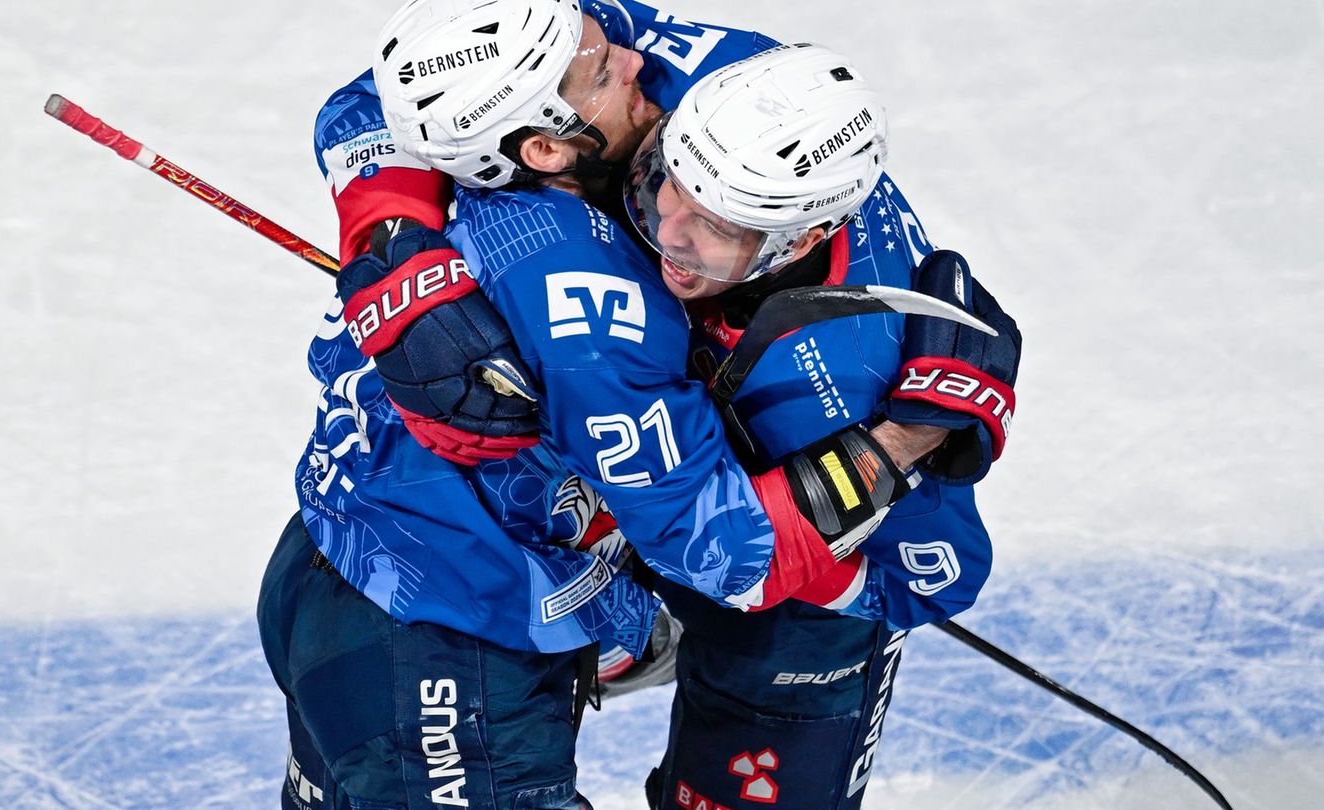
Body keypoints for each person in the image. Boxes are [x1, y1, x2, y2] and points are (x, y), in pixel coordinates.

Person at [257, 4, 1018, 810]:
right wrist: (389, 245)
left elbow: (918, 572)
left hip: (366, 553)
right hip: (446, 617)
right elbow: (411, 82)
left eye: (715, 226)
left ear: (800, 235)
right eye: (661, 188)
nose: (667, 239)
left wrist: (916, 428)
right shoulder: (613, 252)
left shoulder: (841, 359)